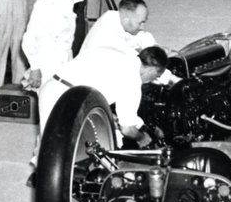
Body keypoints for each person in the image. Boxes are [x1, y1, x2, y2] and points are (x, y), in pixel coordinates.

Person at [39, 44, 168, 147]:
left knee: (47, 148)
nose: (152, 81)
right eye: (156, 77)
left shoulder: (123, 52)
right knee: (56, 153)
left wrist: (143, 126)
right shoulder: (132, 78)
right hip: (67, 98)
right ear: (152, 70)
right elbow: (127, 129)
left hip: (53, 88)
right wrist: (142, 137)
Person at [21, 0, 97, 94]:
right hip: (46, 67)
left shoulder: (68, 1)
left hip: (62, 66)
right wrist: (35, 68)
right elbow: (29, 37)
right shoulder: (49, 0)